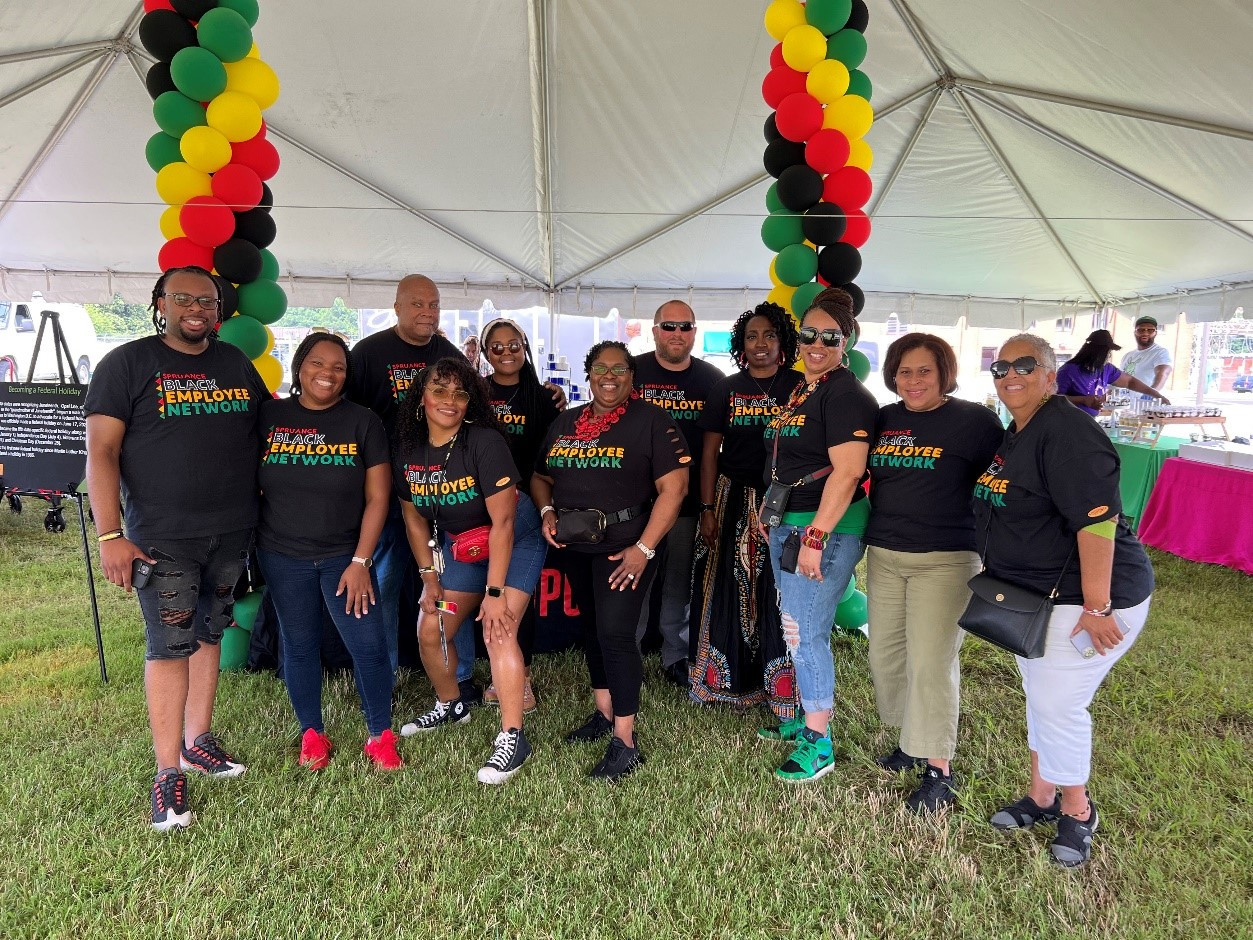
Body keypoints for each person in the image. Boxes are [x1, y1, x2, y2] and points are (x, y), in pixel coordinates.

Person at [85, 265, 268, 830]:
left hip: (231, 529)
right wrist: (111, 534)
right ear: (159, 303)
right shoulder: (127, 364)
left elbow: (270, 428)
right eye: (183, 297)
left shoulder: (235, 363)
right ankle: (168, 773)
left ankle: (198, 740)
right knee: (169, 643)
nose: (197, 308)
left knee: (211, 631)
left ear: (219, 310)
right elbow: (102, 454)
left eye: (208, 300)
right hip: (162, 536)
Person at [978, 333, 1154, 867]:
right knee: (1041, 694)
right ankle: (1041, 797)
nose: (1011, 374)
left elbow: (1097, 522)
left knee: (1059, 704)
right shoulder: (1021, 429)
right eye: (1001, 366)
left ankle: (1078, 812)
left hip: (1089, 599)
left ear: (1052, 375)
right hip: (1035, 598)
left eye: (1025, 365)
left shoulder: (1068, 432)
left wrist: (1096, 608)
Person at [531, 341, 689, 781]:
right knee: (592, 631)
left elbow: (673, 490)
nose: (609, 375)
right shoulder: (567, 421)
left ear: (631, 377)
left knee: (617, 634)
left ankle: (626, 741)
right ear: (589, 372)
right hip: (576, 546)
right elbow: (540, 476)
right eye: (601, 367)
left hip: (626, 547)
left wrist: (645, 549)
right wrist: (546, 512)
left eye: (620, 369)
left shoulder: (653, 421)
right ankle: (604, 712)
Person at [864, 334, 1004, 813]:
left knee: (931, 661)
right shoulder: (886, 418)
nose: (914, 380)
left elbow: (1002, 483)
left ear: (945, 372)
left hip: (945, 558)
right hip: (884, 554)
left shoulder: (975, 422)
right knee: (886, 655)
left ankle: (938, 767)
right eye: (905, 371)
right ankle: (910, 739)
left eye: (924, 370)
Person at [393, 356, 545, 784]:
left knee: (499, 631)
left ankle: (514, 738)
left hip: (514, 541)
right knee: (431, 627)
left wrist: (495, 596)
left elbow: (505, 523)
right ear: (421, 396)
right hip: (464, 547)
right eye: (439, 391)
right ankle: (452, 704)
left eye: (460, 394)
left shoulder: (482, 443)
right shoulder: (408, 449)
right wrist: (429, 577)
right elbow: (414, 518)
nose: (450, 401)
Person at [255, 333, 402, 772]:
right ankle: (312, 734)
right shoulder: (270, 416)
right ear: (299, 367)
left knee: (369, 647)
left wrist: (361, 560)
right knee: (299, 646)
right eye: (318, 363)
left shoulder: (363, 421)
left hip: (345, 557)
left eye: (338, 366)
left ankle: (380, 735)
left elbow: (378, 498)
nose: (328, 373)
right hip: (282, 554)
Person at [758, 287, 877, 783]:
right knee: (794, 625)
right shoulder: (804, 388)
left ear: (846, 341)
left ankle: (819, 740)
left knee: (807, 633)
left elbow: (848, 474)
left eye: (830, 336)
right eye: (809, 333)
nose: (817, 343)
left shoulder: (845, 393)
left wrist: (815, 537)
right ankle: (809, 721)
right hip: (792, 521)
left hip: (823, 529)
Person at [347, 275, 472, 690]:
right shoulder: (368, 353)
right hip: (385, 489)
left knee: (453, 583)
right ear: (397, 306)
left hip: (442, 490)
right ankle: (381, 672)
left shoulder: (450, 354)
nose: (427, 313)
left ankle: (458, 670)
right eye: (418, 304)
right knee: (382, 582)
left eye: (434, 305)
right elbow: (348, 418)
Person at [690, 302, 802, 717]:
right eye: (752, 336)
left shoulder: (800, 386)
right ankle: (727, 681)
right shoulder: (726, 388)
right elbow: (708, 454)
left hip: (788, 500)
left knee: (780, 589)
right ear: (740, 343)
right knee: (728, 588)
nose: (760, 344)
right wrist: (706, 507)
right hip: (732, 496)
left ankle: (783, 685)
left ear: (783, 342)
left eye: (769, 335)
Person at [630, 300, 723, 688]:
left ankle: (675, 657)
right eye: (669, 326)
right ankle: (627, 656)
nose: (677, 334)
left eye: (685, 327)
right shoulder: (632, 371)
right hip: (635, 505)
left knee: (678, 583)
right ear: (654, 331)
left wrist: (706, 506)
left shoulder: (713, 380)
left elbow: (711, 451)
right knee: (633, 581)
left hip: (685, 505)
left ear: (694, 333)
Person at [480, 318, 562, 713]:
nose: (506, 353)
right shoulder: (475, 393)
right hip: (481, 506)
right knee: (481, 590)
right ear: (485, 353)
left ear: (525, 347)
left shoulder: (544, 398)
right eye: (496, 347)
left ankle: (520, 676)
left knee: (518, 593)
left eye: (513, 345)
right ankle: (486, 673)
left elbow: (550, 456)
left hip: (526, 508)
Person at [1055, 329, 1169, 416]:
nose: (1109, 355)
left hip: (1089, 421)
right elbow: (1053, 400)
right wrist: (1082, 400)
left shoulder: (1106, 368)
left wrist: (1156, 394)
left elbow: (1130, 382)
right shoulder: (1068, 371)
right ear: (1097, 352)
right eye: (1108, 352)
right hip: (1068, 423)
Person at [1118, 316, 1173, 396]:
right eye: (1141, 330)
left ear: (1155, 333)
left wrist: (1151, 394)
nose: (1145, 333)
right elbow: (1119, 379)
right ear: (1135, 332)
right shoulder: (1127, 356)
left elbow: (1163, 373)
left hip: (1145, 405)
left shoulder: (1160, 353)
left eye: (1150, 330)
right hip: (1125, 405)